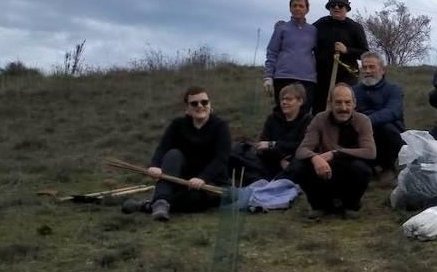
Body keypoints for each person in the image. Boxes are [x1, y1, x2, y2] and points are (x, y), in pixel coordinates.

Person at [125, 86, 231, 221]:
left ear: (210, 105)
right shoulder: (177, 125)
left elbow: (221, 158)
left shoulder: (221, 126)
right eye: (194, 103)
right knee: (173, 154)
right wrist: (155, 165)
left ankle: (148, 205)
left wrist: (202, 178)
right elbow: (163, 148)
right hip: (182, 180)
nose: (200, 106)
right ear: (187, 108)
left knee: (196, 199)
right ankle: (161, 201)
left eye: (204, 102)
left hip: (212, 182)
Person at [290, 83, 377, 219]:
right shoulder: (319, 119)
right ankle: (319, 206)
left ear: (354, 103)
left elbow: (370, 152)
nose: (343, 108)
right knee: (298, 166)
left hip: (349, 172)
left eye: (347, 102)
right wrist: (315, 158)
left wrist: (335, 153)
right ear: (330, 103)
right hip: (324, 173)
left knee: (362, 169)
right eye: (338, 103)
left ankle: (351, 206)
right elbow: (302, 150)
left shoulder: (363, 121)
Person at [240, 82, 312, 182]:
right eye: (282, 99)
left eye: (289, 99)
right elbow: (262, 146)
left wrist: (273, 144)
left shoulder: (307, 120)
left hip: (293, 164)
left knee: (301, 164)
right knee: (243, 154)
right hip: (272, 162)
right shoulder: (272, 119)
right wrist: (280, 158)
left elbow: (301, 147)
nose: (284, 102)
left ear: (300, 101)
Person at [312, 0, 369, 113]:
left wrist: (347, 50)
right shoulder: (320, 24)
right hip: (321, 78)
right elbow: (306, 40)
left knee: (343, 110)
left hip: (346, 78)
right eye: (333, 5)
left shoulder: (355, 27)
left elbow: (365, 53)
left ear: (346, 8)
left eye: (340, 5)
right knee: (319, 111)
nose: (336, 7)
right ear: (329, 8)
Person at [353, 52, 405, 173]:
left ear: (382, 70)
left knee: (386, 127)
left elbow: (392, 112)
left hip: (389, 135)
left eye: (371, 67)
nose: (367, 71)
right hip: (361, 134)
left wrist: (365, 121)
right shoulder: (354, 91)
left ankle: (387, 167)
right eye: (364, 67)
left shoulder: (394, 89)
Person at [262, 0, 317, 107]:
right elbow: (272, 52)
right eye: (294, 6)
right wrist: (268, 77)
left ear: (307, 9)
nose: (297, 8)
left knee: (303, 117)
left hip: (307, 80)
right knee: (284, 113)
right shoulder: (281, 29)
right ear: (290, 8)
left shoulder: (313, 31)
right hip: (283, 78)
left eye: (301, 6)